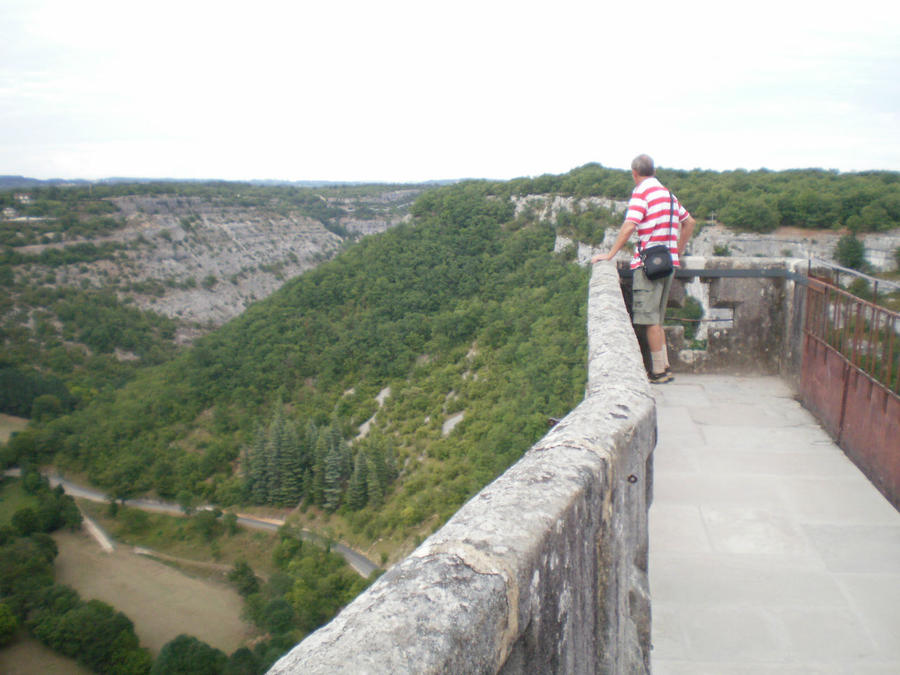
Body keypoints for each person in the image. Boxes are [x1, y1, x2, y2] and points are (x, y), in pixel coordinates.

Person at [591, 154, 696, 384]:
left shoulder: (642, 193)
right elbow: (689, 222)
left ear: (634, 173)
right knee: (657, 318)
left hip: (648, 264)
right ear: (654, 172)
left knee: (650, 320)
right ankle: (665, 367)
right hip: (668, 264)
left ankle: (659, 372)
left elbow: (630, 226)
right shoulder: (668, 195)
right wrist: (677, 250)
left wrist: (610, 254)